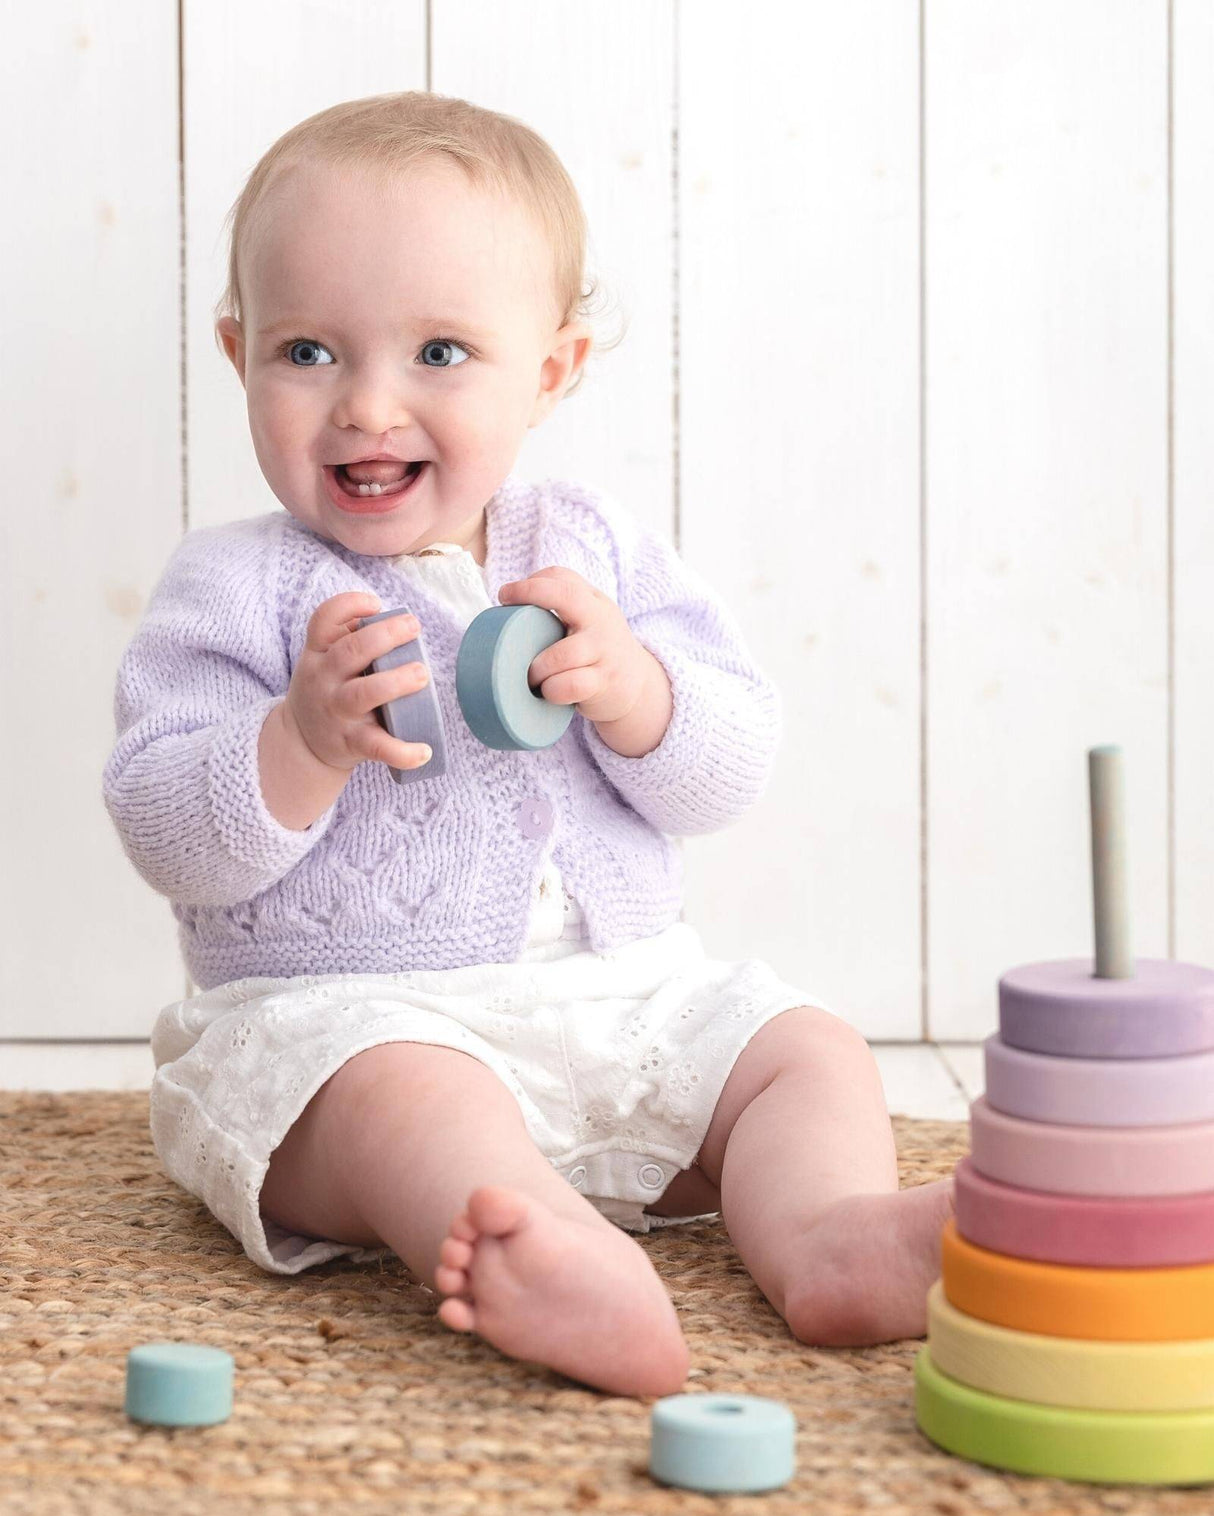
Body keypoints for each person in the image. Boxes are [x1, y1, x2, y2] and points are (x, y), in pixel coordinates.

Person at [103, 91, 953, 1399]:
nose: (367, 405)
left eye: (440, 351)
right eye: (310, 351)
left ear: (549, 369)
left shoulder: (590, 550)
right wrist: (298, 739)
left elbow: (728, 766)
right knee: (406, 1101)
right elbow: (168, 829)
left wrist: (638, 693)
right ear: (238, 353)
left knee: (803, 1048)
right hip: (346, 1013)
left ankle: (826, 1233)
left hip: (620, 993)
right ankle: (545, 1245)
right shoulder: (238, 586)